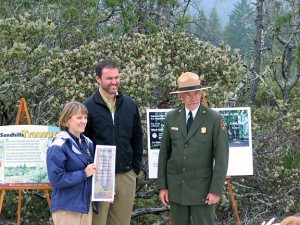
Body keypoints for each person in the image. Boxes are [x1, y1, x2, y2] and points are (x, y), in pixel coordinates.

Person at [157, 72, 229, 225]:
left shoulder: (214, 119)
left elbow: (222, 158)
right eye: (188, 95)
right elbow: (164, 154)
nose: (193, 98)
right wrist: (163, 186)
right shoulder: (172, 117)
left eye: (196, 93)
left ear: (201, 93)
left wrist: (215, 190)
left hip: (202, 191)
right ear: (180, 97)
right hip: (177, 189)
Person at [83, 59, 143, 225]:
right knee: (98, 222)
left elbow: (137, 137)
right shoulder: (87, 107)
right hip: (100, 177)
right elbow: (83, 143)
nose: (114, 82)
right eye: (109, 78)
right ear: (98, 79)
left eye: (116, 77)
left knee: (122, 222)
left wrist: (135, 168)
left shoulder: (130, 105)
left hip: (126, 175)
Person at [46, 101, 97, 225]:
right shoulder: (58, 145)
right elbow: (56, 178)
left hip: (86, 206)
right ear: (67, 120)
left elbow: (94, 173)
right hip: (67, 206)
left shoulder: (88, 143)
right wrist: (83, 174)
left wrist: (104, 191)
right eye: (79, 117)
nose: (84, 121)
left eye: (85, 117)